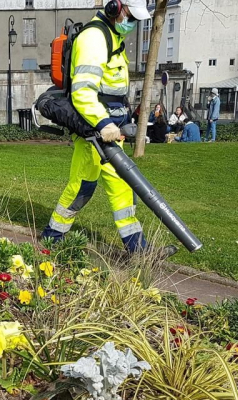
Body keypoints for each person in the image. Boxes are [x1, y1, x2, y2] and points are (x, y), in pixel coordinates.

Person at [41, 0, 178, 259]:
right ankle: (52, 238)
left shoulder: (113, 38)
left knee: (123, 188)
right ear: (115, 7)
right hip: (94, 132)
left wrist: (115, 123)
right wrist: (103, 124)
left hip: (110, 133)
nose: (133, 24)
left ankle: (139, 251)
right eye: (131, 17)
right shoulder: (94, 38)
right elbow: (83, 92)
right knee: (82, 185)